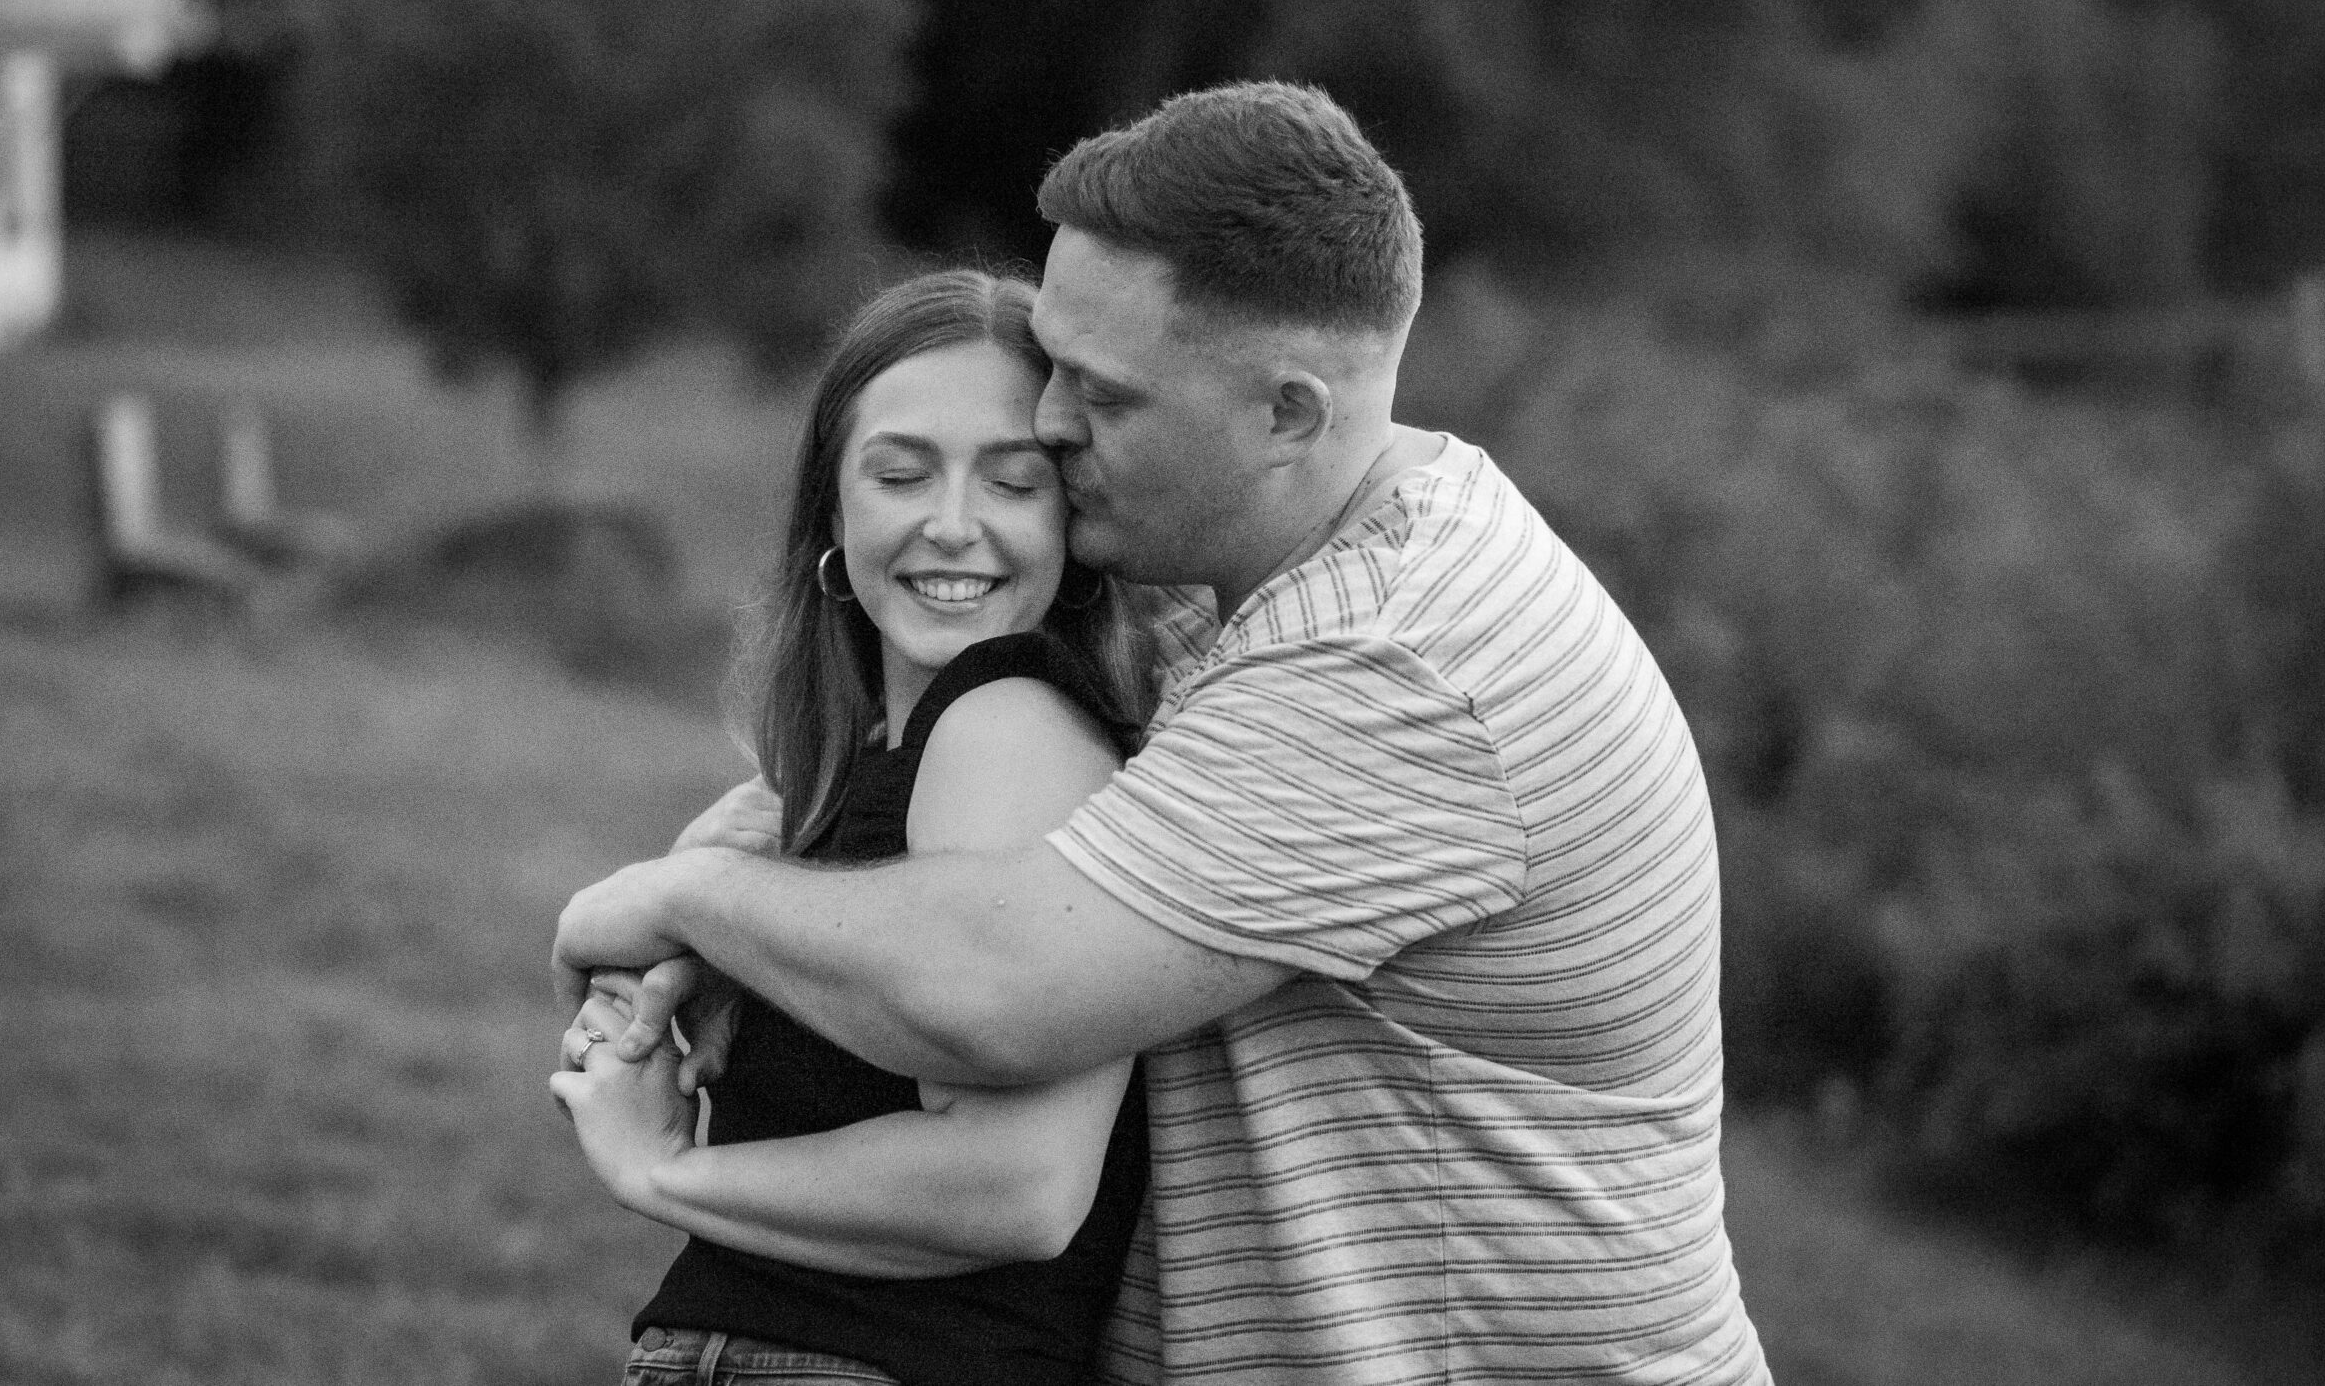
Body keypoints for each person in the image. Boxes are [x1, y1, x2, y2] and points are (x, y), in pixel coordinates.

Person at [557, 81, 1774, 1384]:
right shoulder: (1241, 560)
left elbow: (996, 989)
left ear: (1289, 413)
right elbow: (910, 758)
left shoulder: (1400, 657)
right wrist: (736, 867)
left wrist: (688, 902)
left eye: (1103, 392)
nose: (1052, 423)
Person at [550, 271, 1156, 1386]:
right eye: (900, 474)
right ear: (832, 507)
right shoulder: (854, 774)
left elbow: (1015, 1187)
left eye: (1013, 483)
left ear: (1070, 520)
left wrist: (661, 1173)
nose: (953, 525)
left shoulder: (1008, 722)